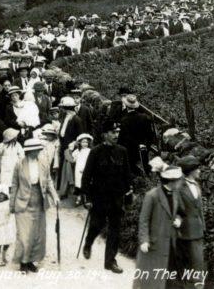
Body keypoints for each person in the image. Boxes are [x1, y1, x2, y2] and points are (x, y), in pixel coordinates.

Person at [81, 121, 133, 274]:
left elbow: (126, 174)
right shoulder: (95, 152)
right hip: (99, 198)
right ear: (105, 134)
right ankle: (88, 242)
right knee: (97, 225)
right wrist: (87, 198)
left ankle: (110, 261)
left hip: (116, 198)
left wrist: (129, 191)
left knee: (115, 230)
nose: (116, 135)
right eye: (112, 132)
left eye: (117, 132)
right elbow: (86, 176)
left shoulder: (122, 151)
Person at [10, 138, 60, 273]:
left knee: (37, 234)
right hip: (23, 202)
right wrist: (12, 204)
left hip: (39, 200)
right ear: (29, 151)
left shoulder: (43, 163)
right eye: (36, 150)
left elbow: (48, 181)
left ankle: (31, 261)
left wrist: (54, 196)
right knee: (24, 235)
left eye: (39, 149)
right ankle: (23, 262)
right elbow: (14, 184)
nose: (38, 151)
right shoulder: (19, 164)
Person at [133, 166, 184, 289]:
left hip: (170, 243)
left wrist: (178, 219)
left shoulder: (176, 194)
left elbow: (180, 212)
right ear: (171, 181)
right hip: (154, 244)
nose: (180, 182)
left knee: (166, 279)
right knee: (149, 280)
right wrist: (144, 240)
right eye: (178, 180)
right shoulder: (152, 195)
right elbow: (144, 220)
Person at [176, 156, 206, 288]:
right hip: (184, 231)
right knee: (187, 263)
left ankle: (196, 284)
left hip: (198, 229)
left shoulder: (196, 185)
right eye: (197, 169)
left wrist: (203, 225)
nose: (199, 171)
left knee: (197, 261)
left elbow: (199, 209)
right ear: (190, 170)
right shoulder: (179, 187)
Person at [118, 94, 156, 176]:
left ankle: (137, 174)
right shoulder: (144, 117)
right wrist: (146, 145)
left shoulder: (124, 120)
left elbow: (123, 138)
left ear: (126, 106)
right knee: (144, 160)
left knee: (131, 164)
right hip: (143, 147)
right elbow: (150, 134)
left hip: (131, 149)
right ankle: (146, 174)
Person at [73, 133, 92, 206]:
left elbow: (89, 161)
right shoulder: (77, 151)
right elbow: (73, 159)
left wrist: (85, 169)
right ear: (80, 143)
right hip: (78, 169)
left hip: (86, 168)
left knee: (85, 183)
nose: (85, 144)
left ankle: (86, 199)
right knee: (78, 184)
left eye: (86, 142)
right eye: (83, 142)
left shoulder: (89, 151)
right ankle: (79, 198)